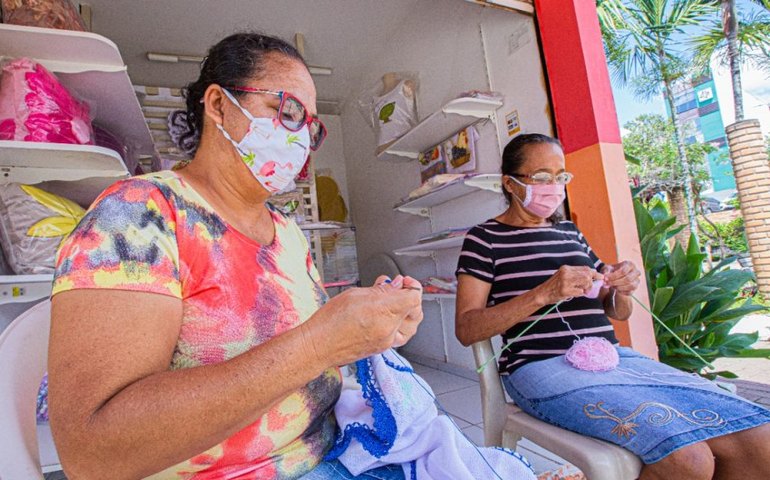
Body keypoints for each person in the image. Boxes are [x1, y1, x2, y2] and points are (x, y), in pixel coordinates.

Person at [48, 33, 423, 480]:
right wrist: (319, 342)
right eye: (287, 111)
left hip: (339, 451)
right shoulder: (140, 215)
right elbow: (92, 455)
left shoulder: (287, 231)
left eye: (310, 126)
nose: (300, 136)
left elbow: (309, 351)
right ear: (219, 104)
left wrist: (371, 330)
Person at [454, 133, 770, 480]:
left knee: (761, 442)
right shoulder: (483, 239)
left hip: (613, 358)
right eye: (542, 176)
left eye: (561, 176)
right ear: (510, 184)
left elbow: (616, 311)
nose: (554, 186)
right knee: (688, 460)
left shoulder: (569, 233)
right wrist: (542, 294)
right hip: (538, 366)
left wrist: (620, 286)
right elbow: (467, 329)